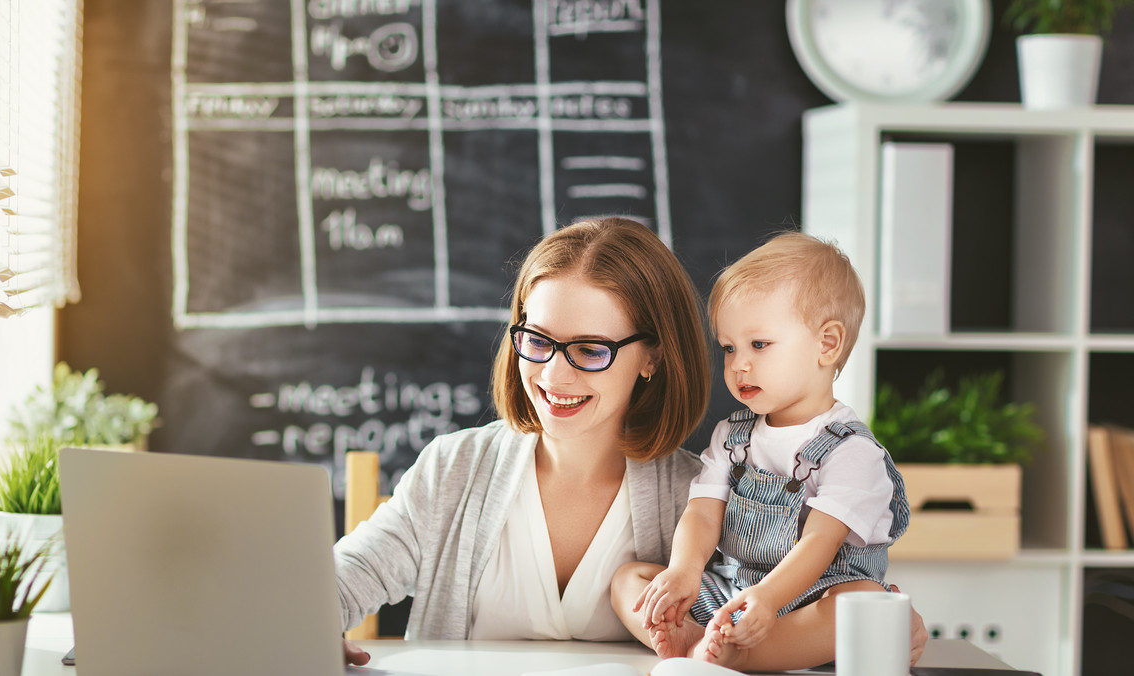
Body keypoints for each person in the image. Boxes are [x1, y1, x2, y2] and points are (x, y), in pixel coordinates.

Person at [336, 216, 712, 662]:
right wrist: (307, 624)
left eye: (590, 350)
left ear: (653, 357)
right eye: (537, 340)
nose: (553, 375)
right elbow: (349, 575)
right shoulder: (455, 467)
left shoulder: (702, 499)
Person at [610, 231, 913, 671]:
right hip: (734, 592)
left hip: (809, 599)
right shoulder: (732, 436)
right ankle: (701, 638)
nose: (738, 365)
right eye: (729, 348)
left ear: (826, 344)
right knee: (629, 579)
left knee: (863, 602)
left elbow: (820, 543)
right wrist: (684, 571)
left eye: (759, 345)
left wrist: (768, 600)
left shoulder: (852, 452)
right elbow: (702, 512)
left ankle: (737, 654)